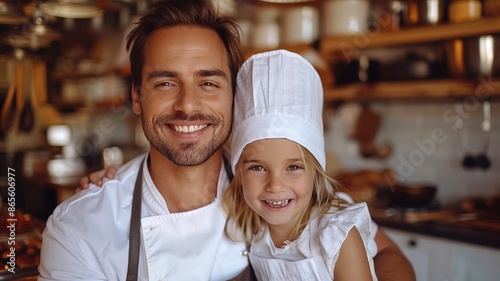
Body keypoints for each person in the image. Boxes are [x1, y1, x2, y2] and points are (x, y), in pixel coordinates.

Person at [56, 0, 415, 280]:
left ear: (233, 97)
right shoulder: (83, 226)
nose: (188, 105)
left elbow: (386, 254)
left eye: (209, 83)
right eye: (165, 83)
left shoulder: (280, 191)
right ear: (136, 96)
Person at [222, 49, 376, 280]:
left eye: (293, 167)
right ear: (239, 172)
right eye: (257, 167)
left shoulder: (337, 237)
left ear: (316, 172)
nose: (275, 185)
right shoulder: (252, 233)